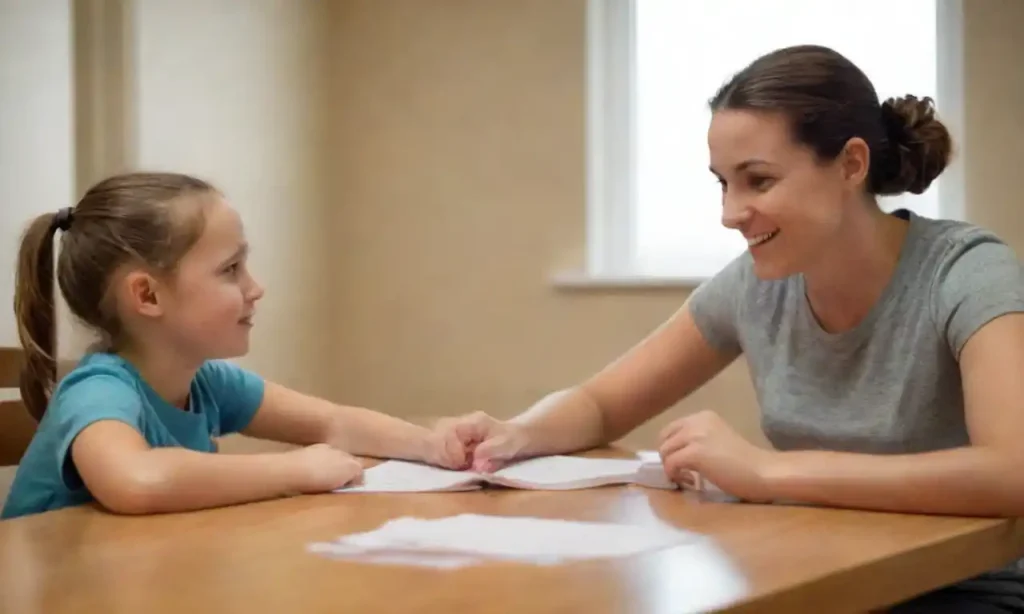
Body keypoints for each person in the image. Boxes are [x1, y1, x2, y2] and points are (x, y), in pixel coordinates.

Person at [434, 45, 1024, 612]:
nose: (729, 213)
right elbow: (599, 404)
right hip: (822, 576)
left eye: (758, 180)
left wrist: (771, 472)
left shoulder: (966, 273)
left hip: (962, 591)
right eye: (723, 182)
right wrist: (516, 434)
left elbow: (1012, 470)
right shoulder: (753, 284)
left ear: (851, 164)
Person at [2, 172, 457, 520]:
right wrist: (293, 472)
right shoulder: (98, 391)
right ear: (147, 295)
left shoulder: (206, 382)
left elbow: (332, 422)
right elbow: (136, 480)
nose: (255, 287)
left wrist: (434, 445)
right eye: (230, 269)